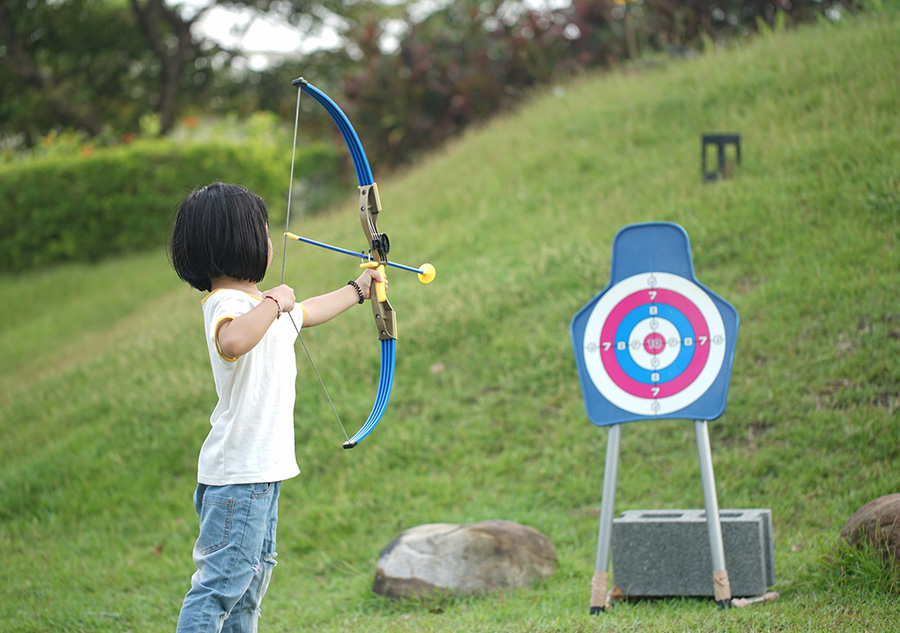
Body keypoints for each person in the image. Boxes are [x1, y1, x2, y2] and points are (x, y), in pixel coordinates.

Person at [168, 182, 385, 632]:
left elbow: (308, 311)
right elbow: (234, 340)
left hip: (260, 476)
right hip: (239, 478)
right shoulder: (229, 304)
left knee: (250, 585)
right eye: (263, 232)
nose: (269, 243)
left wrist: (360, 288)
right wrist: (272, 302)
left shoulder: (258, 307)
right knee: (221, 585)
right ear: (238, 240)